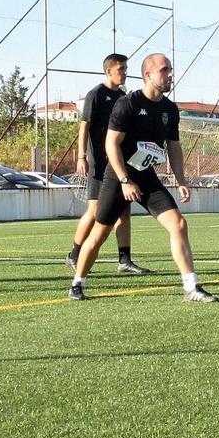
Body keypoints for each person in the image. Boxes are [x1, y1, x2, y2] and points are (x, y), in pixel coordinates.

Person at [68, 53, 217, 303]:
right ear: (148, 75)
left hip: (146, 177)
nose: (170, 74)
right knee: (100, 233)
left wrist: (181, 180)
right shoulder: (128, 104)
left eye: (170, 69)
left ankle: (191, 287)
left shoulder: (169, 109)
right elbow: (111, 144)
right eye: (164, 70)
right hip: (118, 177)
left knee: (179, 224)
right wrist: (125, 180)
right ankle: (77, 283)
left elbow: (174, 147)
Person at [65, 53, 149, 275]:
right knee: (94, 210)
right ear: (108, 71)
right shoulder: (96, 94)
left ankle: (124, 260)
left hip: (119, 163)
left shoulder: (123, 97)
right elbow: (84, 126)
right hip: (100, 163)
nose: (125, 72)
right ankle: (74, 254)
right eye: (121, 69)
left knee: (124, 211)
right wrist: (82, 156)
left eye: (126, 68)